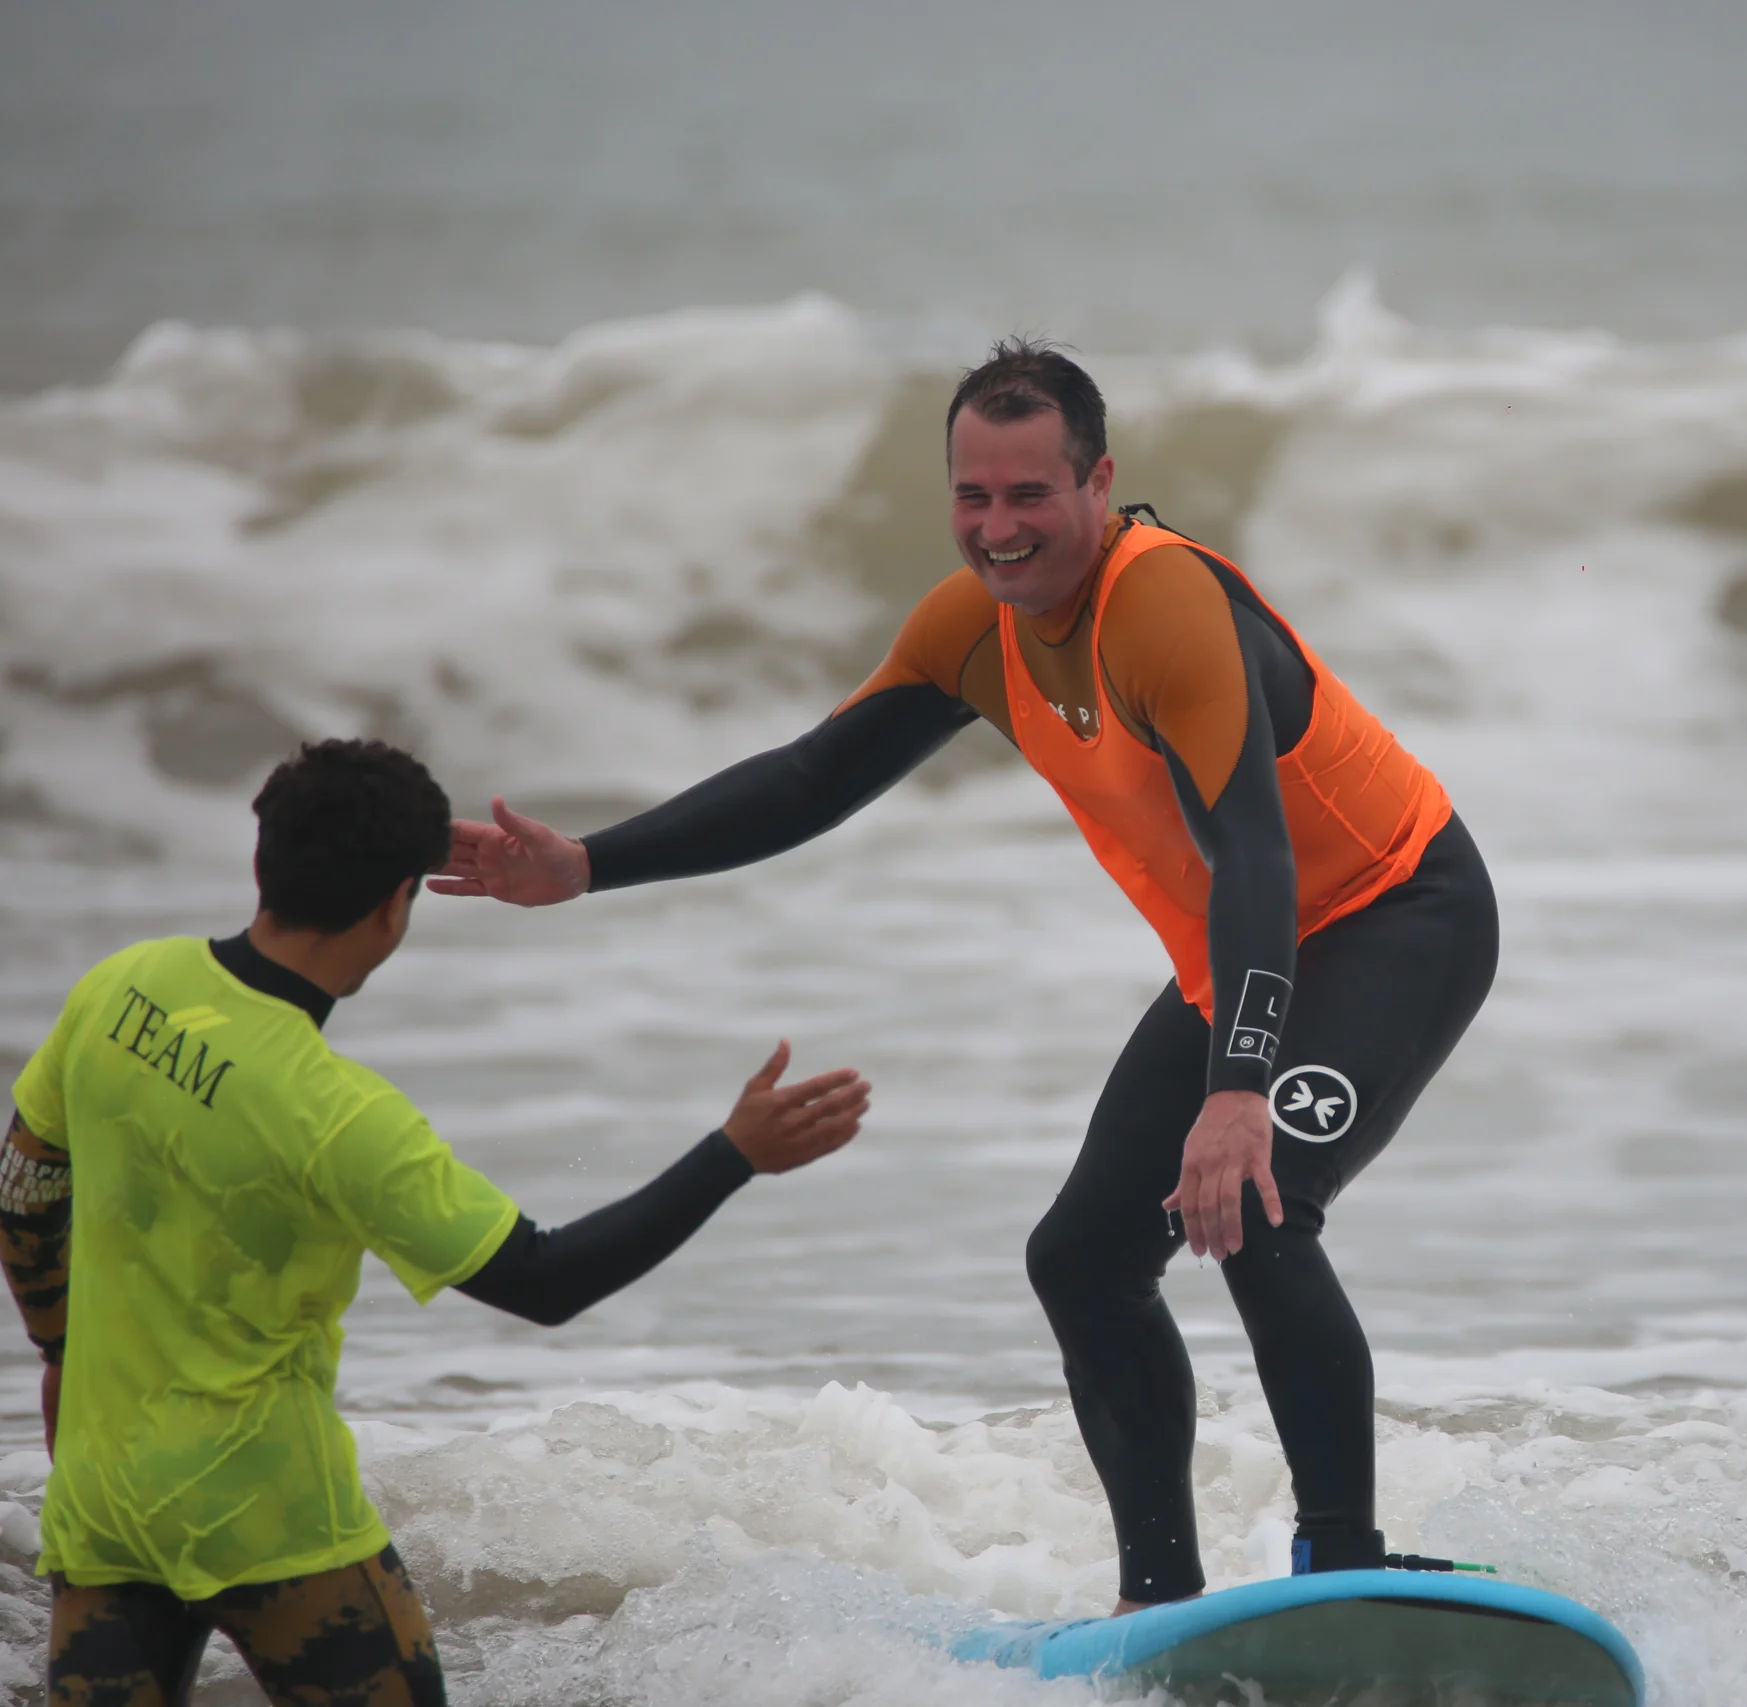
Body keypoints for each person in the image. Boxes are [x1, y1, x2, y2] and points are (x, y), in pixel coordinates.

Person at [431, 340, 1499, 1611]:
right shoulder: (971, 628)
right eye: (972, 496)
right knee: (1083, 1260)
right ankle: (1159, 1606)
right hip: (1244, 948)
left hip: (1396, 911)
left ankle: (1345, 1568)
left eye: (1029, 494)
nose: (998, 530)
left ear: (1098, 483)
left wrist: (1237, 1090)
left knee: (1258, 1205)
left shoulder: (1163, 608)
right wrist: (586, 866)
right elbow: (811, 779)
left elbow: (1253, 853)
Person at [2, 738, 871, 1707]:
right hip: (271, 1517)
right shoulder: (339, 1115)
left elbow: (24, 1187)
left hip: (104, 1501)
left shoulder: (121, 987)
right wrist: (733, 1154)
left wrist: (60, 1351)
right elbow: (545, 1280)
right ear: (393, 907)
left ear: (264, 859)